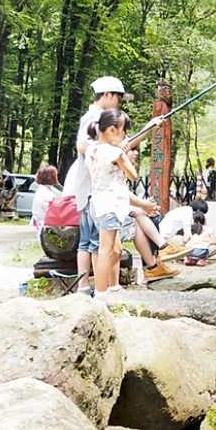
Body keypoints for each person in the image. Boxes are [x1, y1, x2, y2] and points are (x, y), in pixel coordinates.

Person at [62, 76, 170, 291]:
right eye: (119, 99)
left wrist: (146, 130)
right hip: (94, 192)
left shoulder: (101, 128)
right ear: (108, 95)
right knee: (100, 246)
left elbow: (119, 147)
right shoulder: (94, 118)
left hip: (94, 193)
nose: (119, 104)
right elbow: (84, 146)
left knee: (103, 245)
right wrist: (112, 152)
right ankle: (100, 290)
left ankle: (99, 288)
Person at [85, 110, 138, 296]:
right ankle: (100, 293)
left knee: (113, 249)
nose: (125, 135)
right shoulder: (115, 153)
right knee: (106, 251)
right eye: (123, 130)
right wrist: (125, 157)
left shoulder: (92, 149)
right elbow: (133, 175)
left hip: (97, 203)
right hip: (110, 206)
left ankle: (110, 287)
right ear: (112, 130)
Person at [30, 164, 60, 235]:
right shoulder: (45, 193)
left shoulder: (43, 190)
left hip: (41, 223)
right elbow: (52, 209)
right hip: (45, 224)